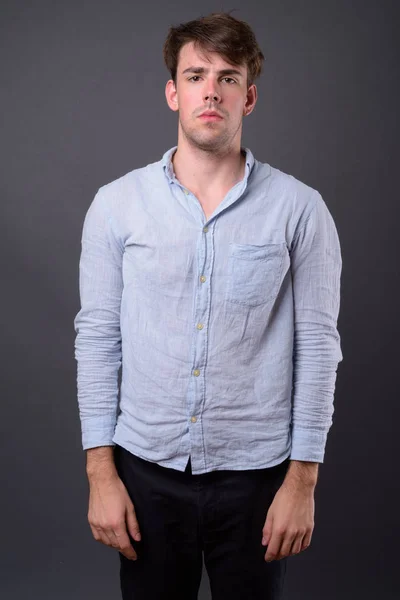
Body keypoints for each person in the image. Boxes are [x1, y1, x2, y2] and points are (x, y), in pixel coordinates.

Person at [73, 11, 343, 600]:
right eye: (195, 75)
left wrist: (303, 481)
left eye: (227, 77)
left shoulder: (300, 210)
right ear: (173, 92)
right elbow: (98, 338)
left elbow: (318, 347)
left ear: (249, 96)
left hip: (260, 480)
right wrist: (101, 474)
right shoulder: (116, 205)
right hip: (144, 472)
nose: (210, 91)